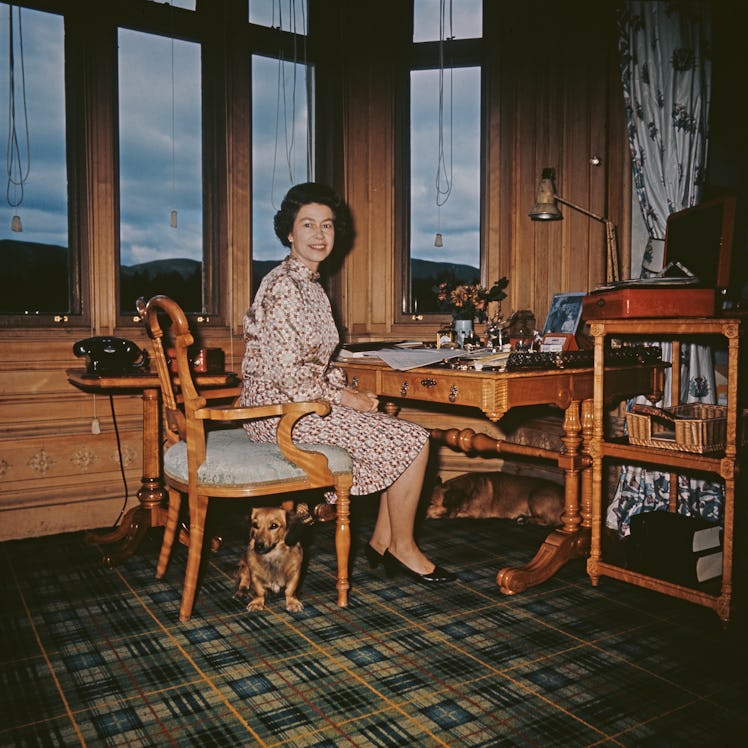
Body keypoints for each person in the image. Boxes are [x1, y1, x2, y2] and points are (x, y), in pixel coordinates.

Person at [239, 182, 455, 584]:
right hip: (278, 411)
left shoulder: (310, 285)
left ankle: (381, 542)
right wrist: (345, 398)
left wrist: (345, 390)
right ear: (289, 232)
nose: (320, 236)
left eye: (327, 226)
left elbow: (316, 362)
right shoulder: (285, 286)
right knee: (415, 439)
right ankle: (402, 549)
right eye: (308, 225)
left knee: (403, 434)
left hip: (298, 401)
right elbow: (289, 375)